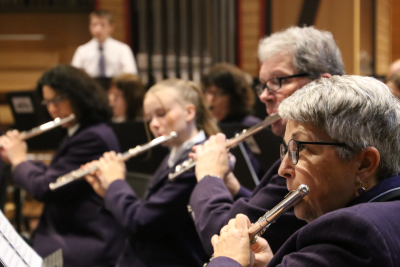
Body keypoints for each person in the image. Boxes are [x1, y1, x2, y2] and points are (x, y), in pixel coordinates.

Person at [207, 75, 400, 267]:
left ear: (364, 164)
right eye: (286, 150)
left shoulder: (352, 233)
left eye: (302, 148)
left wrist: (227, 259)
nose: (283, 170)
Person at [188, 26, 345, 256]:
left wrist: (209, 177)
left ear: (320, 84)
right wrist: (233, 188)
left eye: (278, 81)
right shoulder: (299, 147)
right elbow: (267, 216)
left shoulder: (315, 154)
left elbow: (225, 237)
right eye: (264, 84)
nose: (264, 95)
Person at [84, 79, 220, 267]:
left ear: (189, 113)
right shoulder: (175, 153)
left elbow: (143, 223)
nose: (154, 124)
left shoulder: (198, 160)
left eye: (161, 114)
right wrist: (107, 191)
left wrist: (116, 182)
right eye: (149, 118)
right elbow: (151, 208)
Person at [0, 64, 125, 267]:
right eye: (47, 102)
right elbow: (56, 173)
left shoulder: (93, 137)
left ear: (79, 96)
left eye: (57, 100)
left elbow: (48, 188)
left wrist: (19, 161)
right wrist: (20, 159)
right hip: (68, 233)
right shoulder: (79, 131)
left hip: (85, 240)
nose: (52, 109)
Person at [71, 10, 137, 77]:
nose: (98, 29)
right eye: (94, 25)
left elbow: (131, 74)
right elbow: (74, 75)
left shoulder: (122, 49)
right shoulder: (82, 50)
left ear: (111, 27)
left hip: (115, 85)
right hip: (89, 85)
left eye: (102, 25)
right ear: (90, 27)